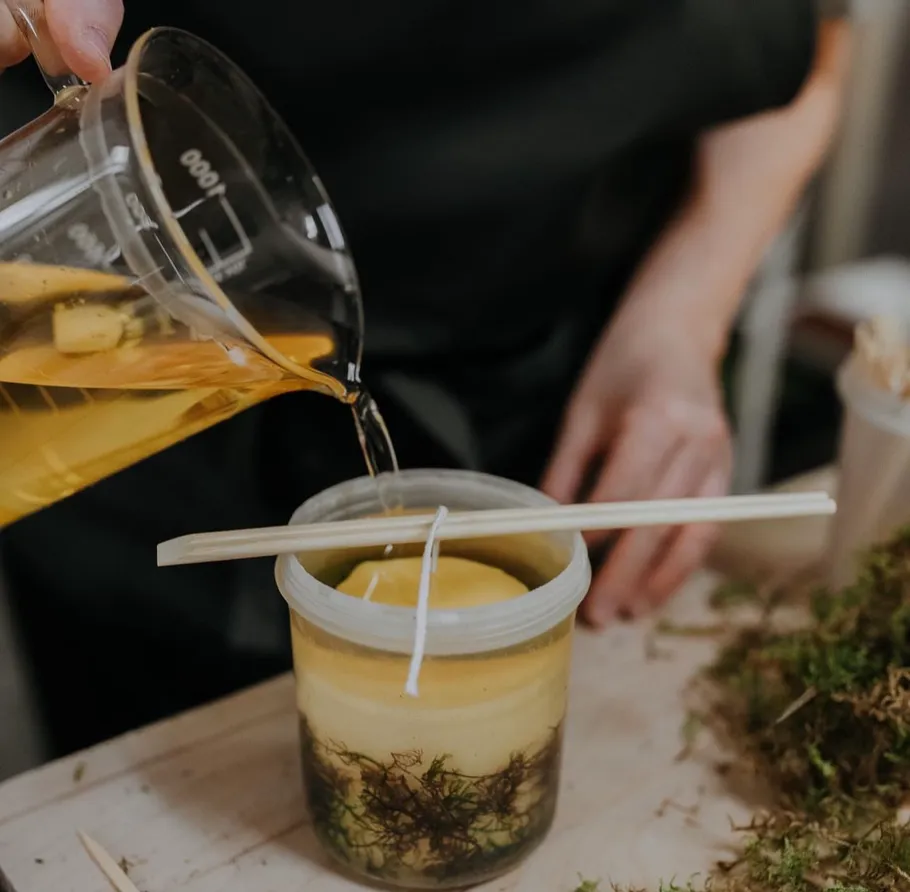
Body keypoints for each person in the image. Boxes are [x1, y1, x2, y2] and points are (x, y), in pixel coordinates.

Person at [0, 0, 851, 757]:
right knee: (131, 775)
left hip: (541, 394)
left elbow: (811, 48)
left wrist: (680, 314)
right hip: (112, 346)